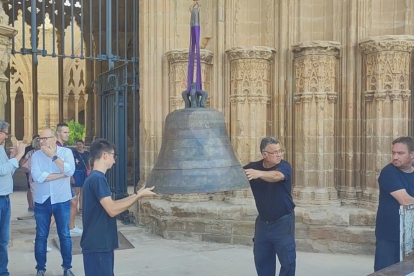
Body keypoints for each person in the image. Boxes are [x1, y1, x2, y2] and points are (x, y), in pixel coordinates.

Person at [81, 138, 156, 276]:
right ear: (105, 155)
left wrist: (137, 194)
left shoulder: (96, 178)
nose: (114, 161)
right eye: (113, 156)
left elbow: (112, 204)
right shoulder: (97, 179)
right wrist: (138, 197)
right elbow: (112, 210)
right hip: (98, 244)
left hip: (100, 244)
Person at [244, 136, 296, 276]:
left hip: (283, 221)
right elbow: (235, 175)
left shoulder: (284, 166)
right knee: (262, 260)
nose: (279, 154)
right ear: (264, 154)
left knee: (287, 261)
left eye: (280, 151)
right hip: (263, 222)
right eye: (275, 152)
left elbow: (276, 176)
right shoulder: (253, 167)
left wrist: (258, 174)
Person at [31, 128, 76, 276]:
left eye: (44, 138)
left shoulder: (66, 153)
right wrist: (60, 174)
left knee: (64, 235)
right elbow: (38, 177)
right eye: (40, 139)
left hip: (61, 200)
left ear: (54, 138)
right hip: (42, 201)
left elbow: (70, 171)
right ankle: (40, 269)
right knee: (41, 236)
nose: (41, 141)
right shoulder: (36, 156)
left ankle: (67, 268)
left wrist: (54, 157)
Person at [374, 136, 414, 271]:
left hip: (410, 234)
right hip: (390, 234)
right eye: (393, 153)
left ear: (412, 154)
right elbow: (406, 200)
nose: (395, 157)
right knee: (387, 272)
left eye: (400, 153)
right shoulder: (388, 172)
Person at [0, 119, 26, 276]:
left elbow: (7, 173)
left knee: (3, 241)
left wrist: (12, 157)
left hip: (5, 199)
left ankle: (3, 271)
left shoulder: (1, 149)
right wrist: (18, 157)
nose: (6, 137)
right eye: (5, 134)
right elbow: (1, 170)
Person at [56, 123, 82, 235]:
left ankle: (71, 227)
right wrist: (70, 176)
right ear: (58, 133)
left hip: (64, 181)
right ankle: (41, 236)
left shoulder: (62, 147)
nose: (68, 134)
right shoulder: (56, 147)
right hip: (60, 182)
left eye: (68, 132)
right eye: (65, 132)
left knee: (73, 201)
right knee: (55, 210)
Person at [21, 134, 39, 212]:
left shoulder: (30, 153)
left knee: (34, 192)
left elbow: (22, 163)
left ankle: (36, 208)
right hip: (40, 176)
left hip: (32, 175)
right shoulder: (43, 153)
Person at [72, 140, 89, 210]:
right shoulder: (74, 153)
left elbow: (88, 163)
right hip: (77, 172)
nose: (79, 146)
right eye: (77, 144)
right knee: (76, 191)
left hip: (84, 172)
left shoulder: (87, 153)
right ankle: (75, 208)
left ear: (83, 145)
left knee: (82, 191)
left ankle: (81, 208)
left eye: (80, 144)